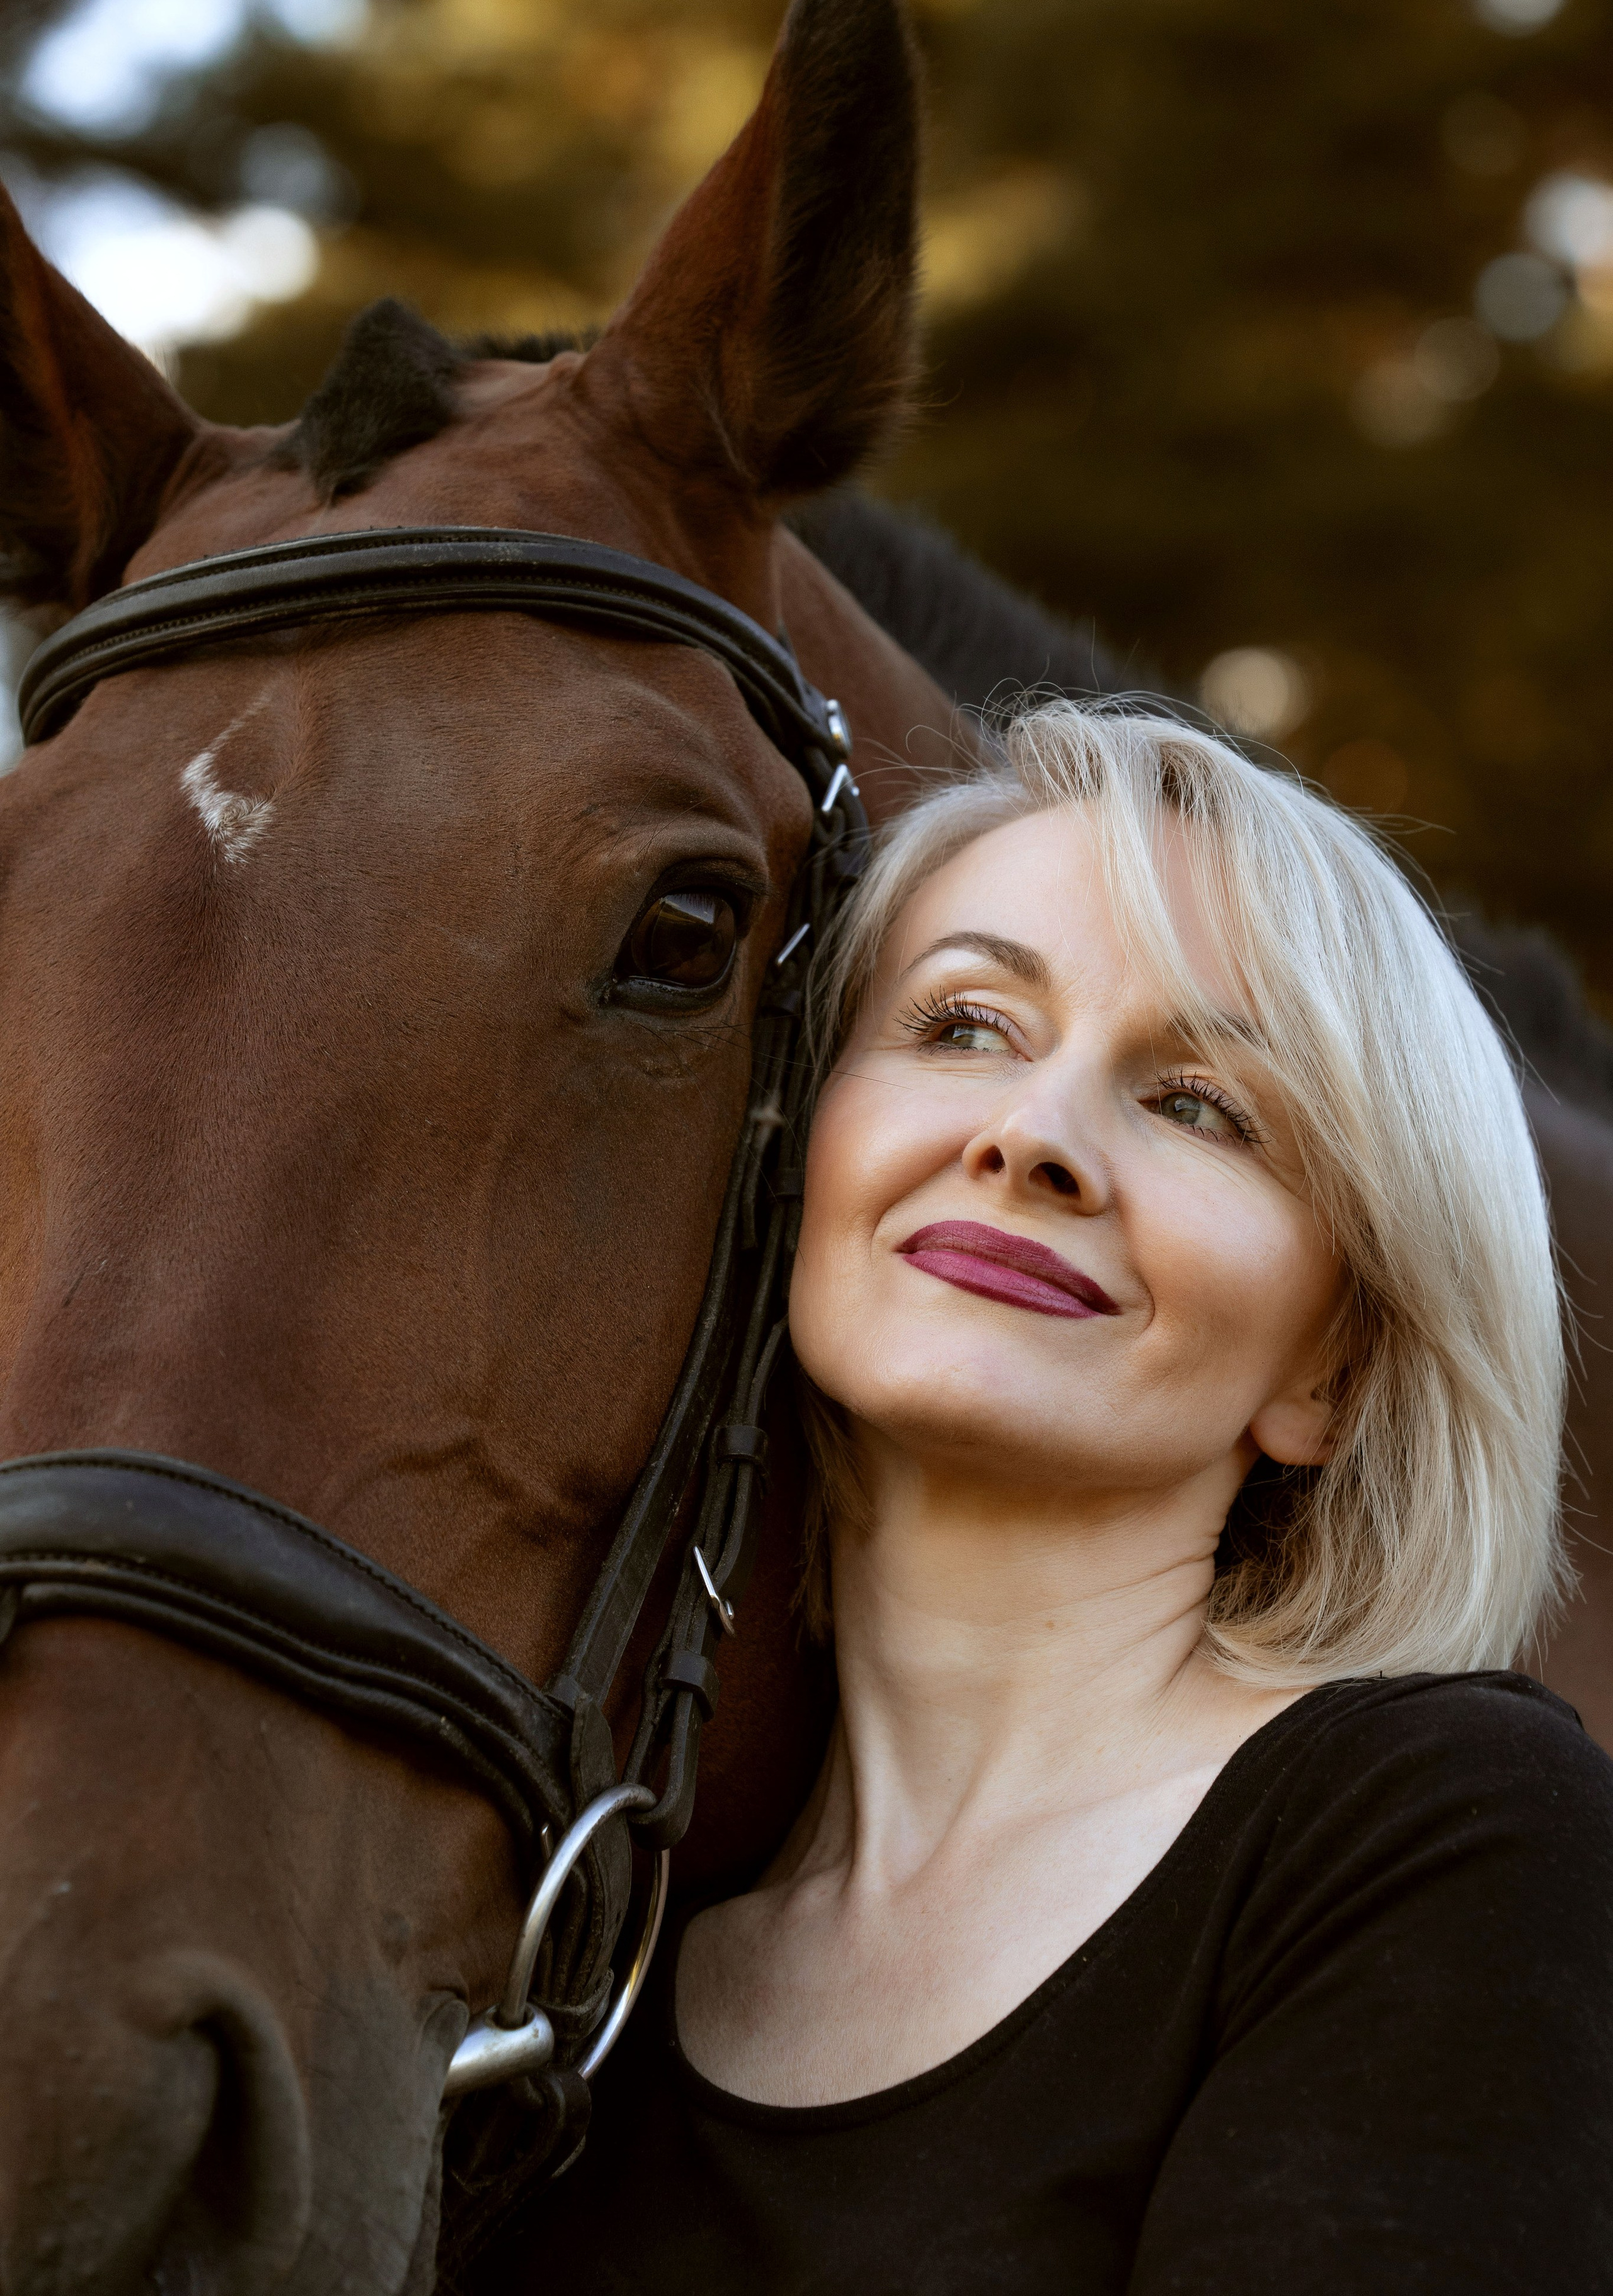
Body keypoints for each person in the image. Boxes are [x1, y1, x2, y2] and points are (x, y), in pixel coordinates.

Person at [527, 700, 1613, 2292]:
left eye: (1199, 1106)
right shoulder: (583, 1956)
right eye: (962, 1025)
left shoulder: (1448, 1846)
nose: (1031, 1138)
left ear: (1328, 1371)